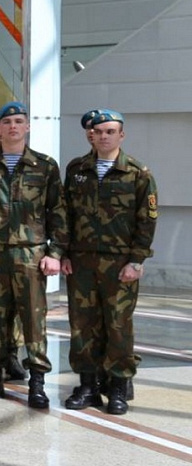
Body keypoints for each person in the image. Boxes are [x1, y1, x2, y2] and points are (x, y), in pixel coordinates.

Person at [0, 102, 67, 408]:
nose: (13, 127)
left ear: (27, 127)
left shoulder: (45, 166)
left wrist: (55, 252)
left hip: (30, 254)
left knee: (33, 318)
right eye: (7, 122)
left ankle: (37, 382)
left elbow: (58, 212)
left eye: (19, 122)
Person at [61, 110, 158, 415]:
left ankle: (117, 386)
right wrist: (63, 252)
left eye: (110, 131)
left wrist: (136, 260)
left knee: (118, 325)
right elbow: (65, 214)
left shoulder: (138, 173)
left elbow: (147, 220)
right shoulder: (77, 169)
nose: (104, 136)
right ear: (91, 135)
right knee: (82, 325)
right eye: (99, 131)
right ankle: (88, 386)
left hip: (119, 264)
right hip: (81, 261)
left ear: (121, 135)